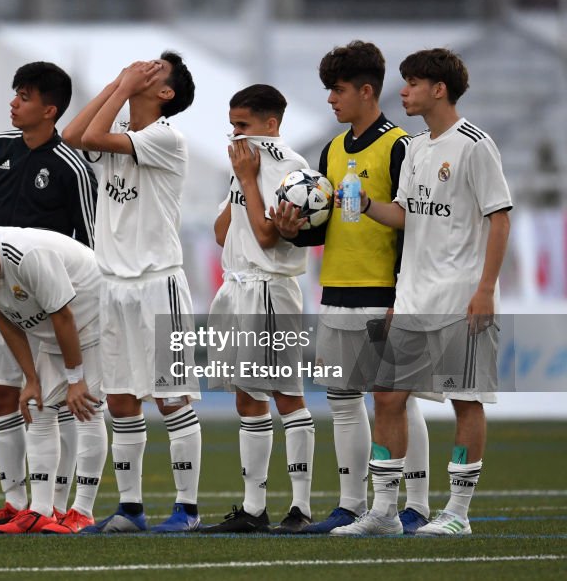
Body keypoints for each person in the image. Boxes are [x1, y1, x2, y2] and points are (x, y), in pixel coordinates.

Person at [332, 48, 511, 536]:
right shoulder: (414, 148)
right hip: (413, 297)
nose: (404, 91)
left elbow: (499, 218)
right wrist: (366, 203)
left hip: (460, 296)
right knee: (386, 397)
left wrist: (486, 290)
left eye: (412, 83)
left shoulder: (475, 145)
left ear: (439, 89)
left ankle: (456, 512)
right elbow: (407, 215)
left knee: (465, 401)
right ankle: (385, 513)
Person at [272, 40, 432, 534]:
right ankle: (350, 504)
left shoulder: (399, 145)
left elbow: (416, 226)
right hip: (336, 291)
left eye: (337, 90)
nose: (330, 99)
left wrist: (402, 297)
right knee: (342, 400)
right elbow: (329, 224)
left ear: (367, 91)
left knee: (398, 400)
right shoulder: (333, 148)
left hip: (384, 294)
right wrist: (294, 230)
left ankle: (417, 504)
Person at [62, 53, 203, 533]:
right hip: (112, 283)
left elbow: (94, 137)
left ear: (165, 94)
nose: (141, 69)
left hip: (158, 283)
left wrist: (123, 85)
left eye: (154, 71)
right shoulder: (120, 124)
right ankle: (131, 508)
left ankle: (186, 509)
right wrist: (116, 85)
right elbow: (73, 136)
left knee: (171, 399)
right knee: (120, 399)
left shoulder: (166, 137)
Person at [0, 61, 102, 534]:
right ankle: (16, 500)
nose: (13, 103)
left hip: (50, 303)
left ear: (49, 110)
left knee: (60, 399)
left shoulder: (72, 165)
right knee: (3, 393)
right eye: (14, 94)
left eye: (23, 97)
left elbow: (88, 241)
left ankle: (63, 504)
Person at [0, 226, 106, 534]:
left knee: (86, 407)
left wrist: (76, 378)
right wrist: (31, 379)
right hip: (56, 326)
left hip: (92, 316)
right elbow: (5, 318)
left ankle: (83, 512)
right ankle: (40, 511)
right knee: (38, 407)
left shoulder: (26, 257)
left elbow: (65, 315)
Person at [202, 84, 315, 534]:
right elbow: (220, 232)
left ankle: (302, 508)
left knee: (287, 394)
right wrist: (240, 181)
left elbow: (269, 237)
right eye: (232, 124)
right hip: (238, 287)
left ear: (271, 124)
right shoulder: (246, 163)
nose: (235, 134)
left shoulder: (290, 167)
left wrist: (248, 180)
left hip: (269, 289)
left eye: (243, 125)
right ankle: (253, 510)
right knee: (247, 396)